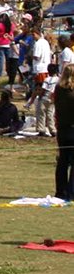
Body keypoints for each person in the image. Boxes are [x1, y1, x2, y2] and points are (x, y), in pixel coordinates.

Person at [53, 64, 74, 201]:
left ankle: (60, 191)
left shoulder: (58, 89)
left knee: (62, 161)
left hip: (62, 128)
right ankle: (71, 192)